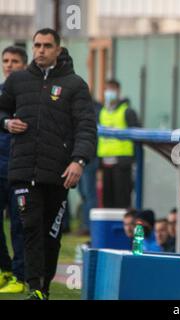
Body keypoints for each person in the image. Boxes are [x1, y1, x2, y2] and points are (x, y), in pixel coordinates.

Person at [0, 28, 97, 300]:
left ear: (57, 49)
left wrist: (78, 161)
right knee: (30, 227)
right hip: (22, 172)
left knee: (50, 234)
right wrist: (6, 123)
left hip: (58, 174)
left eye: (46, 46)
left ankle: (43, 287)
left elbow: (87, 128)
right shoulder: (18, 81)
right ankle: (35, 288)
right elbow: (2, 108)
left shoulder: (75, 85)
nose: (41, 50)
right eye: (37, 45)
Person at [0, 46, 27, 294]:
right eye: (6, 60)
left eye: (14, 61)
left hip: (20, 170)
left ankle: (20, 276)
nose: (9, 65)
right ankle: (4, 269)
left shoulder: (29, 95)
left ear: (24, 65)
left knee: (19, 225)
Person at [97, 79, 140, 209]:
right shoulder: (102, 112)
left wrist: (132, 160)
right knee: (107, 200)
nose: (108, 92)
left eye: (112, 89)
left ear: (118, 91)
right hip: (106, 162)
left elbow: (138, 135)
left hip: (122, 162)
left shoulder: (127, 111)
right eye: (106, 89)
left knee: (122, 199)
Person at [77, 98, 102, 236]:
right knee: (83, 193)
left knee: (89, 193)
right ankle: (85, 224)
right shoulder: (78, 107)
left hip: (89, 158)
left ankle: (89, 226)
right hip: (78, 157)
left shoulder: (96, 110)